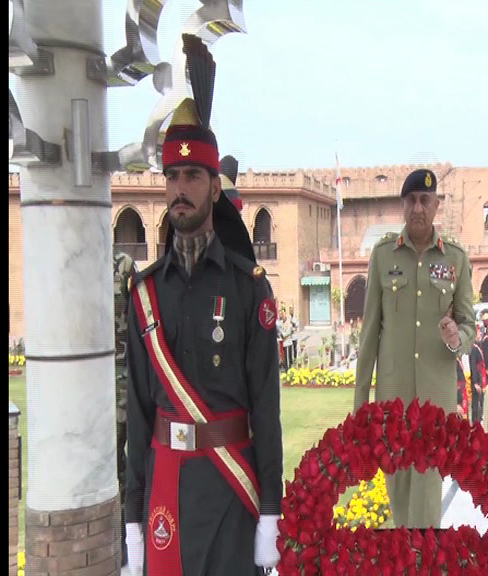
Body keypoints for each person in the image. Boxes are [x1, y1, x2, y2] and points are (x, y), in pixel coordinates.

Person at [124, 34, 282, 576]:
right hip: (167, 488)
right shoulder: (144, 293)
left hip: (231, 488)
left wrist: (271, 516)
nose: (180, 189)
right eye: (172, 176)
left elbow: (267, 408)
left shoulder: (248, 288)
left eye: (193, 176)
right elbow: (139, 416)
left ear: (215, 188)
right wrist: (132, 522)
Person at [354, 167, 475, 529]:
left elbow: (469, 323)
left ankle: (420, 562)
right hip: (393, 403)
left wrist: (457, 337)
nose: (418, 208)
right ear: (402, 206)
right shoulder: (383, 256)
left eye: (425, 200)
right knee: (399, 498)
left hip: (435, 405)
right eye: (411, 201)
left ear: (437, 205)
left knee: (425, 504)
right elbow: (369, 335)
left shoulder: (455, 258)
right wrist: (362, 407)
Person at [113, 248, 136, 566]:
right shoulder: (125, 265)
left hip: (128, 383)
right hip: (115, 386)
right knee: (120, 467)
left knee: (133, 468)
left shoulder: (126, 267)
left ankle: (131, 538)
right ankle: (125, 541)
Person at [469, 324, 487, 424]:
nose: (479, 335)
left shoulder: (478, 347)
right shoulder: (474, 349)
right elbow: (473, 366)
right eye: (478, 333)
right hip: (476, 380)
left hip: (480, 378)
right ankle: (475, 419)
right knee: (475, 402)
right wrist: (475, 382)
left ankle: (478, 418)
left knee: (479, 400)